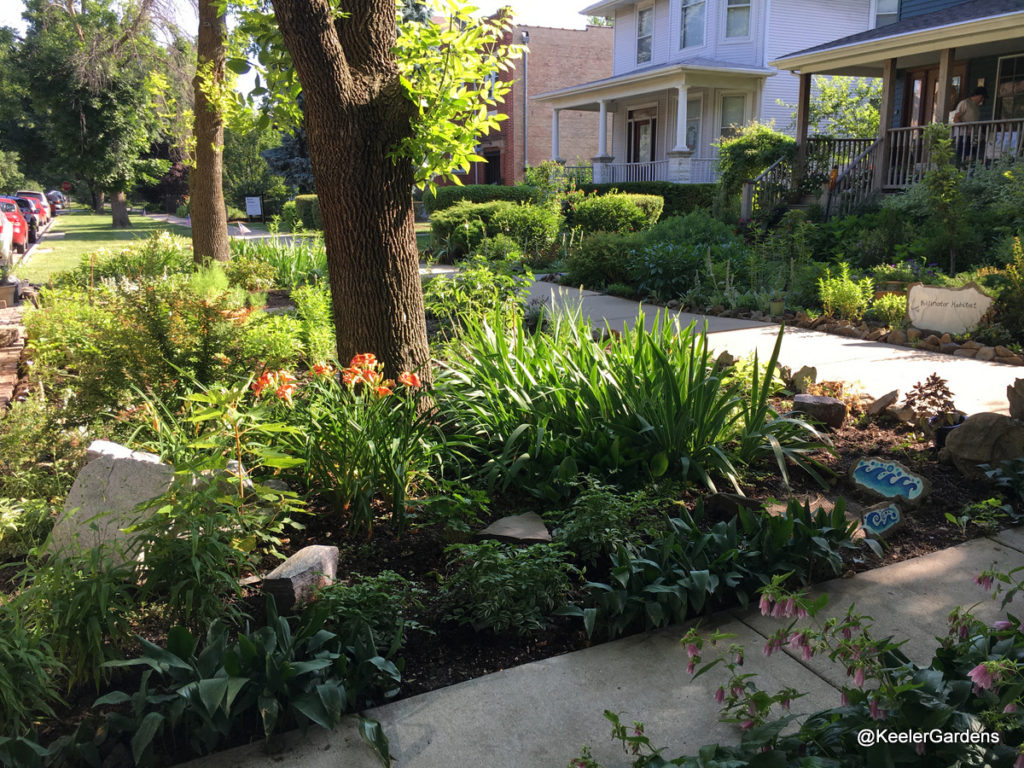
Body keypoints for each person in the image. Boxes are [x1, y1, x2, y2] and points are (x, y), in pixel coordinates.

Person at [952, 86, 987, 164]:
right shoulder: (965, 103)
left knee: (972, 157)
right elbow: (956, 119)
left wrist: (980, 133)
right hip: (962, 135)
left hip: (973, 136)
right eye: (981, 97)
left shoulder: (977, 107)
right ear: (977, 95)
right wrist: (966, 128)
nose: (982, 100)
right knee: (963, 157)